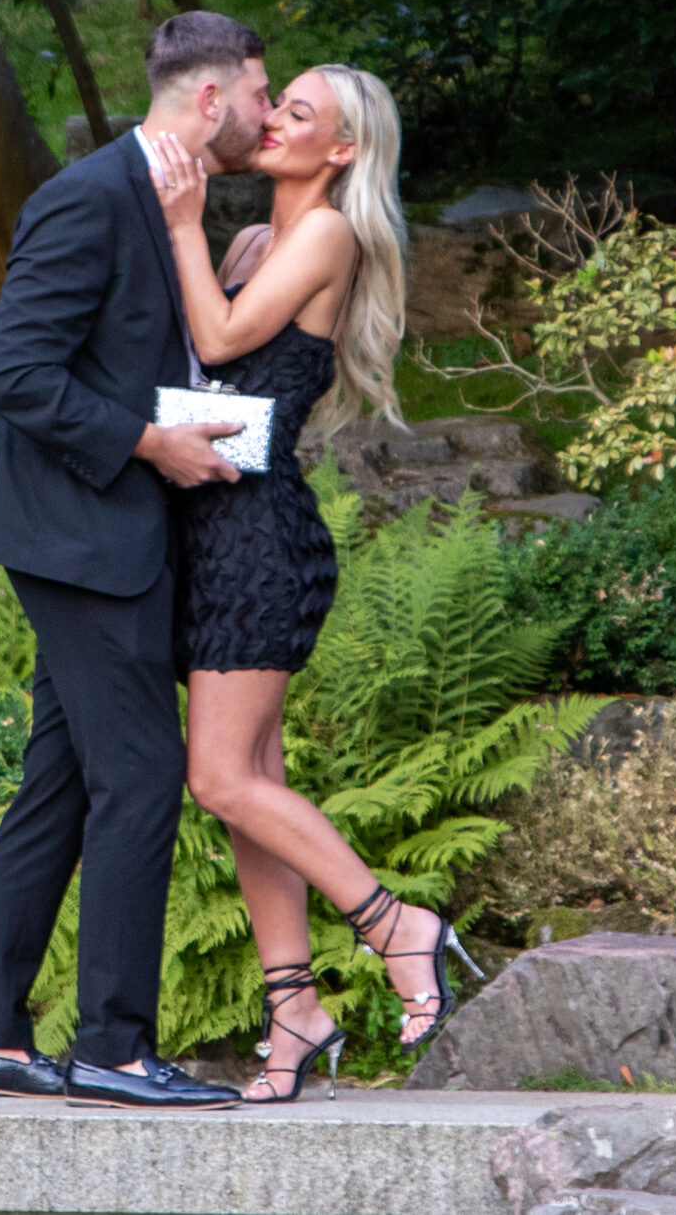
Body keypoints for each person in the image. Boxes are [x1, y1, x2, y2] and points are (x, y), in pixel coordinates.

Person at [0, 12, 272, 1109]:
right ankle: (115, 1051)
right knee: (140, 773)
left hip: (107, 535)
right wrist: (147, 442)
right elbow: (11, 374)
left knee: (64, 781)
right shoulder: (87, 196)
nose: (268, 115)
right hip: (78, 534)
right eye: (259, 95)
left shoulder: (170, 203)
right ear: (210, 99)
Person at [147, 62, 479, 1104]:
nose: (273, 120)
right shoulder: (257, 242)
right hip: (212, 532)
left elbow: (217, 338)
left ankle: (396, 923)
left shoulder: (327, 233)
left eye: (298, 112)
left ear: (340, 150)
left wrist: (180, 223)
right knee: (253, 791)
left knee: (218, 779)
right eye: (276, 103)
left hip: (259, 540)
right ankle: (293, 1008)